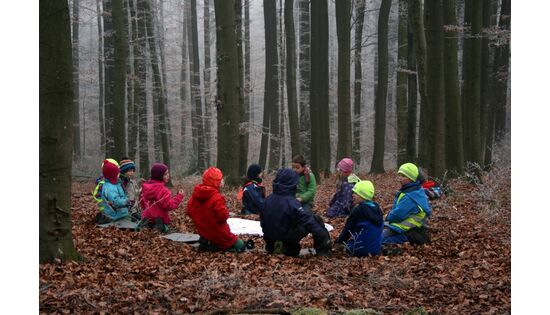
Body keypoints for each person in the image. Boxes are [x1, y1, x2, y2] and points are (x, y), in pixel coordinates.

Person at [260, 168, 332, 257]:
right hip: (287, 239)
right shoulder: (291, 203)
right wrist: (321, 234)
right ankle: (323, 251)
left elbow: (263, 223)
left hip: (270, 241)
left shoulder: (267, 200)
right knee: (315, 219)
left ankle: (276, 246)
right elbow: (306, 219)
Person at [187, 167, 246, 252]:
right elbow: (222, 216)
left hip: (204, 233)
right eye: (221, 179)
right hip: (220, 234)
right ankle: (221, 247)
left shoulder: (195, 196)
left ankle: (209, 244)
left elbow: (189, 210)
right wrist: (226, 212)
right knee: (241, 245)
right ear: (216, 182)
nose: (222, 180)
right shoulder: (216, 198)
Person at [382, 163, 432, 245]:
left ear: (411, 178)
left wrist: (387, 217)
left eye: (403, 176)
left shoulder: (410, 196)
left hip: (406, 228)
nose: (400, 178)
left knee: (380, 239)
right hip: (410, 227)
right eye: (399, 175)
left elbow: (398, 215)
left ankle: (404, 241)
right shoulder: (414, 190)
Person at [334, 180, 384, 256]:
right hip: (376, 250)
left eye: (356, 193)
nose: (352, 195)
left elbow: (348, 229)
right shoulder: (377, 208)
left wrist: (338, 242)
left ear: (362, 195)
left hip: (359, 250)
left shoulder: (359, 210)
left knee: (344, 247)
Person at [140, 163, 184, 233]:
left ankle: (146, 226)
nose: (168, 175)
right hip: (159, 219)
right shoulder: (163, 190)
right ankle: (158, 228)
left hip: (147, 216)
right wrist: (179, 197)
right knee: (160, 226)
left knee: (147, 229)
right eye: (165, 174)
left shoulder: (145, 188)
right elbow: (169, 206)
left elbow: (142, 204)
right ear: (159, 176)